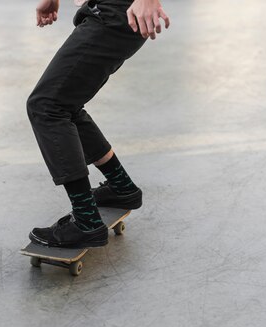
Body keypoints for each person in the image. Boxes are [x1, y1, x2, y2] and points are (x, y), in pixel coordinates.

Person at [27, 0, 170, 248]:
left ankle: (86, 222)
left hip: (115, 12)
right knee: (65, 104)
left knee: (47, 107)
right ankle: (121, 187)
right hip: (107, 11)